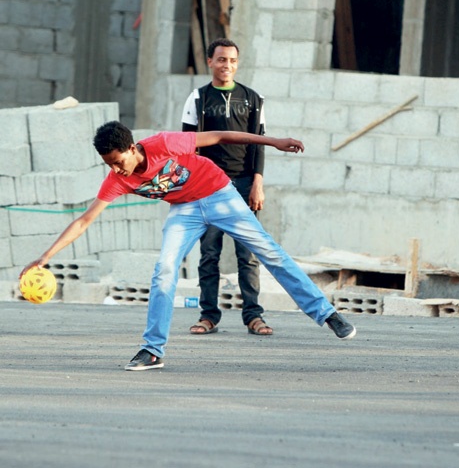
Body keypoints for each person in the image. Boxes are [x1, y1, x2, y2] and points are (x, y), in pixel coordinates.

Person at [21, 121, 357, 372]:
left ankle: (327, 315)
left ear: (134, 147)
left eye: (117, 160)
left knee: (269, 252)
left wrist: (274, 142)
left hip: (219, 192)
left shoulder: (165, 143)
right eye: (108, 163)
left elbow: (222, 136)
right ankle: (152, 351)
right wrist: (44, 257)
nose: (115, 168)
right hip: (184, 210)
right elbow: (84, 220)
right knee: (164, 269)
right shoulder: (118, 179)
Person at [181, 38, 270, 336]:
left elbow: (259, 146)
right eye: (221, 60)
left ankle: (254, 316)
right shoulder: (198, 98)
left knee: (248, 253)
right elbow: (188, 147)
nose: (227, 66)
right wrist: (191, 188)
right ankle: (208, 316)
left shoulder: (253, 98)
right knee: (209, 253)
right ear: (210, 62)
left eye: (232, 60)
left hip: (244, 185)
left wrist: (257, 182)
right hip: (208, 186)